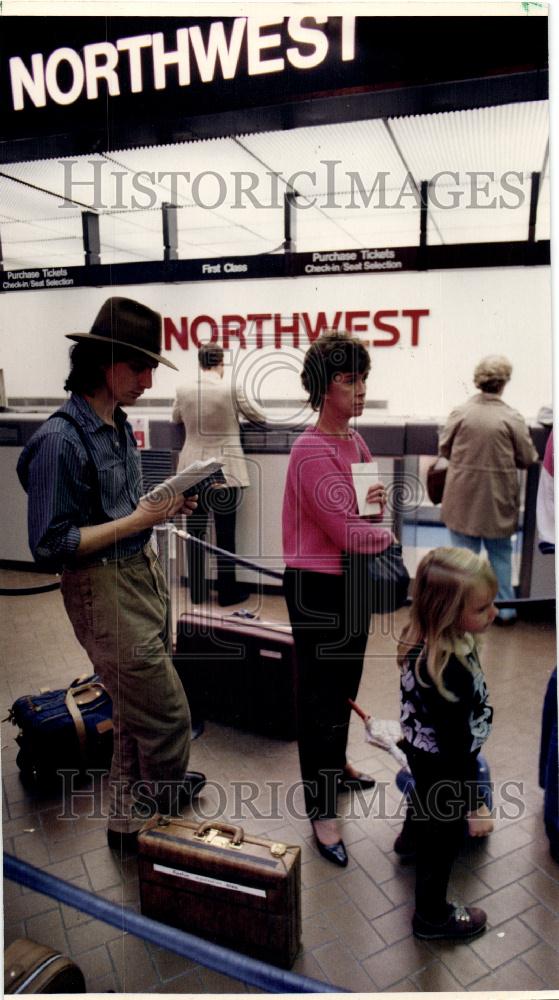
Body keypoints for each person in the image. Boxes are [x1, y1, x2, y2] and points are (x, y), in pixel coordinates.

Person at [17, 297, 205, 852]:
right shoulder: (60, 440)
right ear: (105, 362)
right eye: (140, 366)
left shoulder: (117, 426)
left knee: (131, 709)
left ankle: (128, 819)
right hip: (102, 590)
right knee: (167, 716)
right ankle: (164, 817)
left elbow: (122, 510)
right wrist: (139, 519)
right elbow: (52, 544)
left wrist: (161, 506)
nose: (149, 379)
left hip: (139, 574)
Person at [282, 332, 394, 867]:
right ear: (325, 387)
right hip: (318, 586)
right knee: (319, 701)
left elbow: (368, 512)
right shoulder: (309, 451)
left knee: (344, 684)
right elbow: (354, 530)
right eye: (350, 380)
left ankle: (339, 764)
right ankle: (321, 811)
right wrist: (385, 535)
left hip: (352, 581)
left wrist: (369, 520)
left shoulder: (355, 442)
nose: (361, 389)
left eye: (364, 378)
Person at [397, 547, 496, 941]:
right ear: (449, 613)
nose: (493, 614)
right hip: (446, 765)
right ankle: (432, 917)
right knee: (443, 839)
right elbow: (458, 753)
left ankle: (410, 837)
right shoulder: (448, 669)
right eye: (482, 608)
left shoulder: (427, 640)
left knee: (426, 803)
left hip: (424, 756)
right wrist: (475, 806)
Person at [439, 355, 538, 625]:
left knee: (463, 558)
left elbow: (444, 448)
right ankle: (505, 609)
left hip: (462, 497)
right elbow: (528, 458)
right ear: (504, 383)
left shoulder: (461, 412)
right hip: (497, 500)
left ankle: (462, 610)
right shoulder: (511, 417)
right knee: (501, 556)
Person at [172, 344, 265, 606]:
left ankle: (198, 593)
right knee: (225, 535)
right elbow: (259, 415)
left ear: (200, 362)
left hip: (192, 469)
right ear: (220, 363)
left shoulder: (184, 389)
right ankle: (227, 593)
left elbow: (175, 417)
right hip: (226, 469)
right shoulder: (231, 388)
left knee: (195, 532)